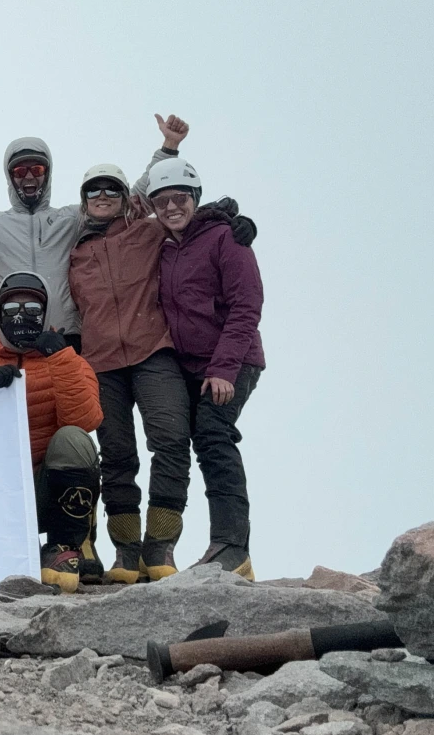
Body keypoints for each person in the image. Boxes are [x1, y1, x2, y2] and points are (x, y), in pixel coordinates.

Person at [70, 163, 258, 583]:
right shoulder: (73, 248)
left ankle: (160, 545)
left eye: (112, 190)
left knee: (173, 442)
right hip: (101, 363)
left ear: (127, 200)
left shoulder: (151, 231)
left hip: (155, 353)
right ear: (83, 201)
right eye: (93, 191)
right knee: (117, 454)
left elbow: (190, 218)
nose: (103, 196)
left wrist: (228, 215)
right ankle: (125, 551)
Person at [0, 115, 189, 345]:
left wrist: (168, 149)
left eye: (37, 169)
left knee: (70, 426)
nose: (29, 176)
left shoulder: (73, 218)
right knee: (13, 429)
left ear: (48, 174)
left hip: (67, 339)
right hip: (8, 340)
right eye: (20, 171)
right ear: (10, 177)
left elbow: (129, 204)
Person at [150, 158, 265, 581]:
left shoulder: (225, 239)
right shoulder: (165, 247)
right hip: (188, 365)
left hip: (231, 362)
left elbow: (246, 306)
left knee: (215, 438)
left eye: (179, 198)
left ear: (195, 199)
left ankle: (233, 548)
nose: (171, 207)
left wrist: (223, 370)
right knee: (188, 442)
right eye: (161, 201)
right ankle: (218, 546)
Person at [0, 272, 104, 592]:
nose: (21, 316)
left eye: (32, 309)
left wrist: (61, 359)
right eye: (10, 309)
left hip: (48, 492)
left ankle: (65, 545)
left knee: (74, 441)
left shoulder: (72, 362)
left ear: (47, 313)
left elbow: (85, 421)